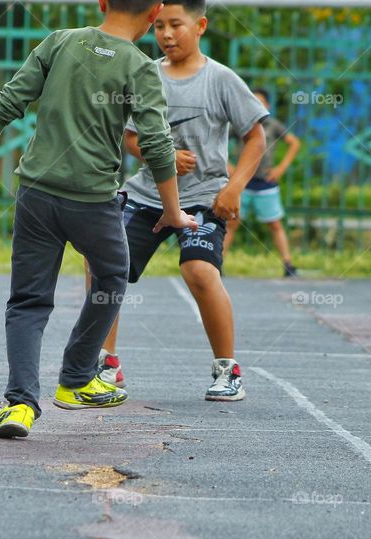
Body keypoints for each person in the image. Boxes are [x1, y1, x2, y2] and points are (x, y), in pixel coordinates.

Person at [0, 0, 197, 439]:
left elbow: (8, 102)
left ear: (102, 2)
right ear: (155, 14)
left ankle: (19, 405)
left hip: (35, 194)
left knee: (28, 301)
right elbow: (156, 142)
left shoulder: (60, 42)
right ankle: (75, 378)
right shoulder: (141, 66)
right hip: (92, 201)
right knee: (112, 278)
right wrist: (172, 210)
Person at [94, 0, 268, 401]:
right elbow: (131, 137)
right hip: (146, 194)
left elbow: (256, 136)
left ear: (201, 25)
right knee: (103, 262)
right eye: (159, 26)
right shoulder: (145, 74)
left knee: (199, 271)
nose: (167, 35)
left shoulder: (221, 79)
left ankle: (228, 369)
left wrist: (234, 187)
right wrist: (163, 156)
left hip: (205, 197)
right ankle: (105, 363)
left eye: (177, 25)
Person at [224, 88, 301, 277]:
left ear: (267, 105)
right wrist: (228, 166)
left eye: (261, 102)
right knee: (232, 222)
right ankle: (217, 262)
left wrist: (281, 168)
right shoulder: (240, 124)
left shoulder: (273, 125)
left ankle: (287, 264)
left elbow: (294, 142)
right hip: (242, 181)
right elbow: (217, 141)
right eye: (253, 101)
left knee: (274, 223)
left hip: (265, 182)